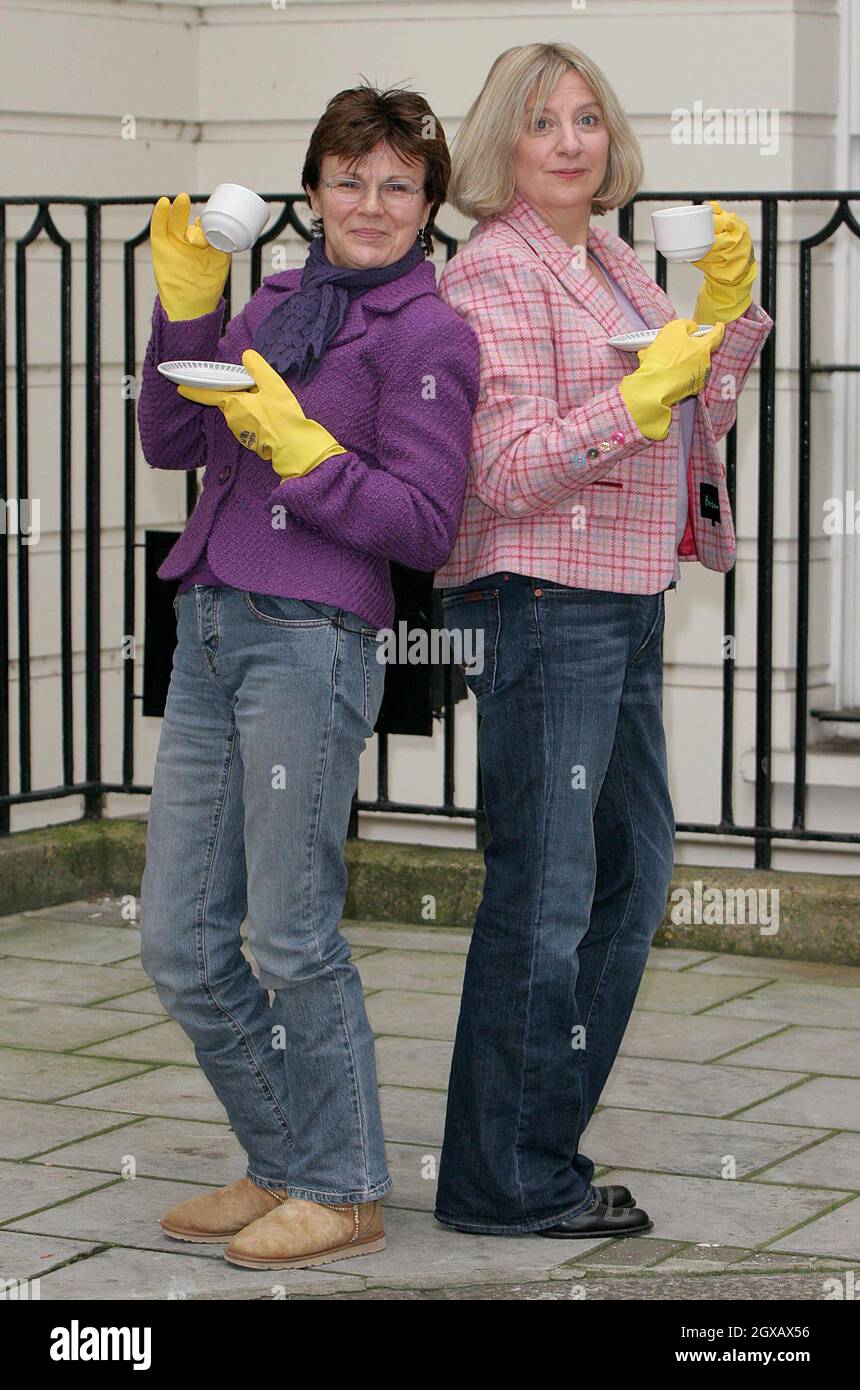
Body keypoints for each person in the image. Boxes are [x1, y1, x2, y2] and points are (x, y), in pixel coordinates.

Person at [431, 42, 773, 1238]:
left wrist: (720, 326)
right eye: (540, 123)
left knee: (625, 881)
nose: (570, 141)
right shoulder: (492, 275)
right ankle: (501, 1178)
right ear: (500, 147)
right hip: (543, 600)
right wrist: (635, 399)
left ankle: (532, 1151)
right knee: (548, 891)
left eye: (586, 118)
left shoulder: (615, 260)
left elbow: (691, 423)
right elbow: (505, 467)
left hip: (620, 598)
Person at [137, 84, 480, 1270]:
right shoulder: (278, 300)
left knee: (287, 936)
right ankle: (289, 1159)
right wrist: (186, 313)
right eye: (348, 178)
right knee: (180, 942)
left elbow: (425, 524)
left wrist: (309, 455)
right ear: (314, 190)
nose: (370, 204)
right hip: (213, 623)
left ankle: (341, 1187)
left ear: (428, 202)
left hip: (310, 639)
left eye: (397, 183)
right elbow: (173, 440)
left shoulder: (430, 336)